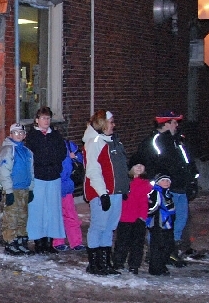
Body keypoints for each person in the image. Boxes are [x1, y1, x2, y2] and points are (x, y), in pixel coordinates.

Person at [134, 110, 198, 266]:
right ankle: (155, 250)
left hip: (180, 187)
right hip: (165, 189)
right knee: (161, 221)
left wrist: (191, 180)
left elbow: (186, 161)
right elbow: (151, 165)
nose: (177, 125)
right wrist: (158, 182)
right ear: (165, 123)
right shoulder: (154, 142)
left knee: (180, 219)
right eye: (174, 122)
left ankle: (171, 249)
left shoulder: (177, 141)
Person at [82, 110, 124, 275]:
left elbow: (119, 168)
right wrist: (102, 193)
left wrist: (123, 186)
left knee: (109, 227)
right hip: (102, 192)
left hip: (115, 191)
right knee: (99, 226)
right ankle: (94, 264)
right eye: (111, 122)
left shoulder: (112, 142)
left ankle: (105, 262)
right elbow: (93, 171)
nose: (113, 125)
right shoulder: (95, 143)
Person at [24, 106, 67, 254]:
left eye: (48, 118)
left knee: (52, 210)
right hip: (39, 177)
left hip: (53, 176)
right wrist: (42, 162)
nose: (46, 121)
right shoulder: (32, 136)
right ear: (37, 120)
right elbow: (31, 155)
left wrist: (54, 165)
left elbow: (62, 152)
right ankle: (39, 242)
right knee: (38, 210)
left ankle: (49, 241)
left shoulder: (55, 135)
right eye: (43, 118)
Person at [0, 123, 35, 255]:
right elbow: (3, 170)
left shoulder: (27, 152)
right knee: (11, 216)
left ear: (24, 135)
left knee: (22, 216)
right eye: (16, 133)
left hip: (24, 189)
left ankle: (21, 240)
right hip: (13, 189)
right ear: (11, 134)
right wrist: (8, 190)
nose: (18, 135)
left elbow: (30, 171)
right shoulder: (8, 150)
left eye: (21, 133)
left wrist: (30, 188)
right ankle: (10, 241)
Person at [113, 157, 151, 275]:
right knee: (122, 242)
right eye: (136, 165)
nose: (139, 167)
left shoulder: (147, 185)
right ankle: (118, 262)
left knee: (137, 244)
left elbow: (146, 202)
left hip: (138, 219)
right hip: (124, 217)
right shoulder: (125, 183)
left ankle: (134, 265)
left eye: (141, 165)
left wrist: (142, 217)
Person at [52, 139, 86, 251]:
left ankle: (76, 242)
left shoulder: (67, 144)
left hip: (67, 187)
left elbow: (80, 157)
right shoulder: (47, 145)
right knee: (57, 215)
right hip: (53, 186)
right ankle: (58, 241)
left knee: (71, 214)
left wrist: (74, 157)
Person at [147, 174, 177, 276]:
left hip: (167, 225)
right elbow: (151, 208)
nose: (166, 182)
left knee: (167, 246)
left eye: (168, 181)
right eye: (163, 180)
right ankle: (155, 269)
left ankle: (162, 265)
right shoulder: (155, 192)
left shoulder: (168, 194)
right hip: (158, 224)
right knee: (157, 247)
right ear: (158, 182)